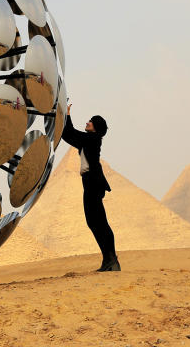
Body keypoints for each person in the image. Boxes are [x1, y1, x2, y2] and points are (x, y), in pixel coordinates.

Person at [62, 104, 119, 271]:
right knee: (96, 222)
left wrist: (66, 114)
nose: (87, 123)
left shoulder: (91, 139)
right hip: (90, 183)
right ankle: (109, 260)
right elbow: (69, 135)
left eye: (91, 122)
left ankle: (112, 260)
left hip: (93, 183)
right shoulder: (88, 141)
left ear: (96, 127)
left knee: (98, 222)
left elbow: (69, 133)